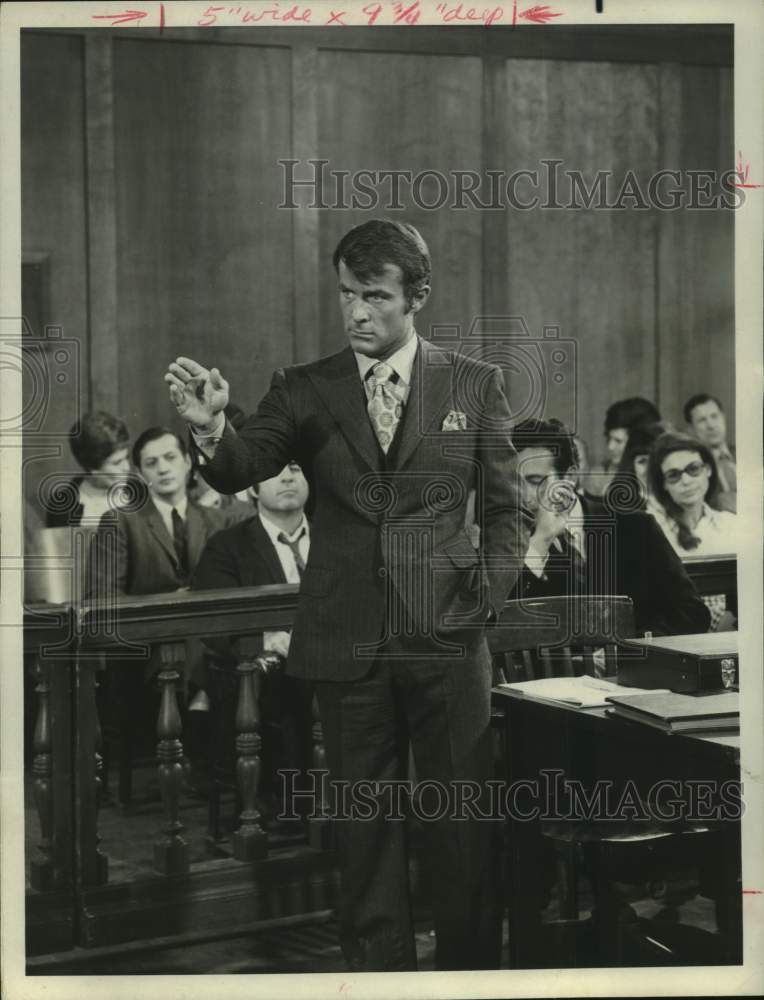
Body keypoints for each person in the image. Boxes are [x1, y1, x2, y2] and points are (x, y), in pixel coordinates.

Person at [165, 219, 527, 972]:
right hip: (347, 641)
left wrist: (481, 601)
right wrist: (210, 429)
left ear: (416, 297)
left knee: (461, 826)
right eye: (345, 295)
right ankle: (380, 980)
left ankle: (470, 978)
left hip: (448, 641)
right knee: (365, 835)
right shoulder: (304, 387)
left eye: (374, 295)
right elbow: (242, 465)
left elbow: (508, 508)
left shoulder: (473, 383)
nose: (356, 311)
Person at [510, 418, 710, 637]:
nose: (522, 494)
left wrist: (623, 651)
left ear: (569, 477)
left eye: (533, 480)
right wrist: (540, 542)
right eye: (515, 482)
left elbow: (693, 614)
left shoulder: (637, 528)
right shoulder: (508, 540)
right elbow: (508, 631)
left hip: (635, 666)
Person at [191, 462, 313, 815]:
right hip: (264, 674)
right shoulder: (227, 547)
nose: (288, 477)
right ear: (253, 489)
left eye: (296, 468)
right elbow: (215, 626)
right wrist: (267, 638)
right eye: (273, 470)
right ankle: (295, 806)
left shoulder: (336, 539)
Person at [647, 432, 737, 630]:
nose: (686, 481)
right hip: (677, 636)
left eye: (693, 469)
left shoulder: (732, 525)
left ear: (708, 470)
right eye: (674, 475)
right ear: (663, 484)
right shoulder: (652, 532)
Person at [44, 410, 131, 526]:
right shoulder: (62, 506)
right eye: (117, 463)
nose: (127, 467)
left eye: (126, 458)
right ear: (92, 468)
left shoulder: (139, 493)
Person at [589, 397, 661, 498]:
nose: (610, 447)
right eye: (609, 438)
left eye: (618, 441)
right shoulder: (599, 477)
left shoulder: (666, 473)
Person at [683, 392, 736, 512]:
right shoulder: (692, 467)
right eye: (702, 420)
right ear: (690, 429)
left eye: (714, 416)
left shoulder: (747, 455)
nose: (711, 425)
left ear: (723, 417)